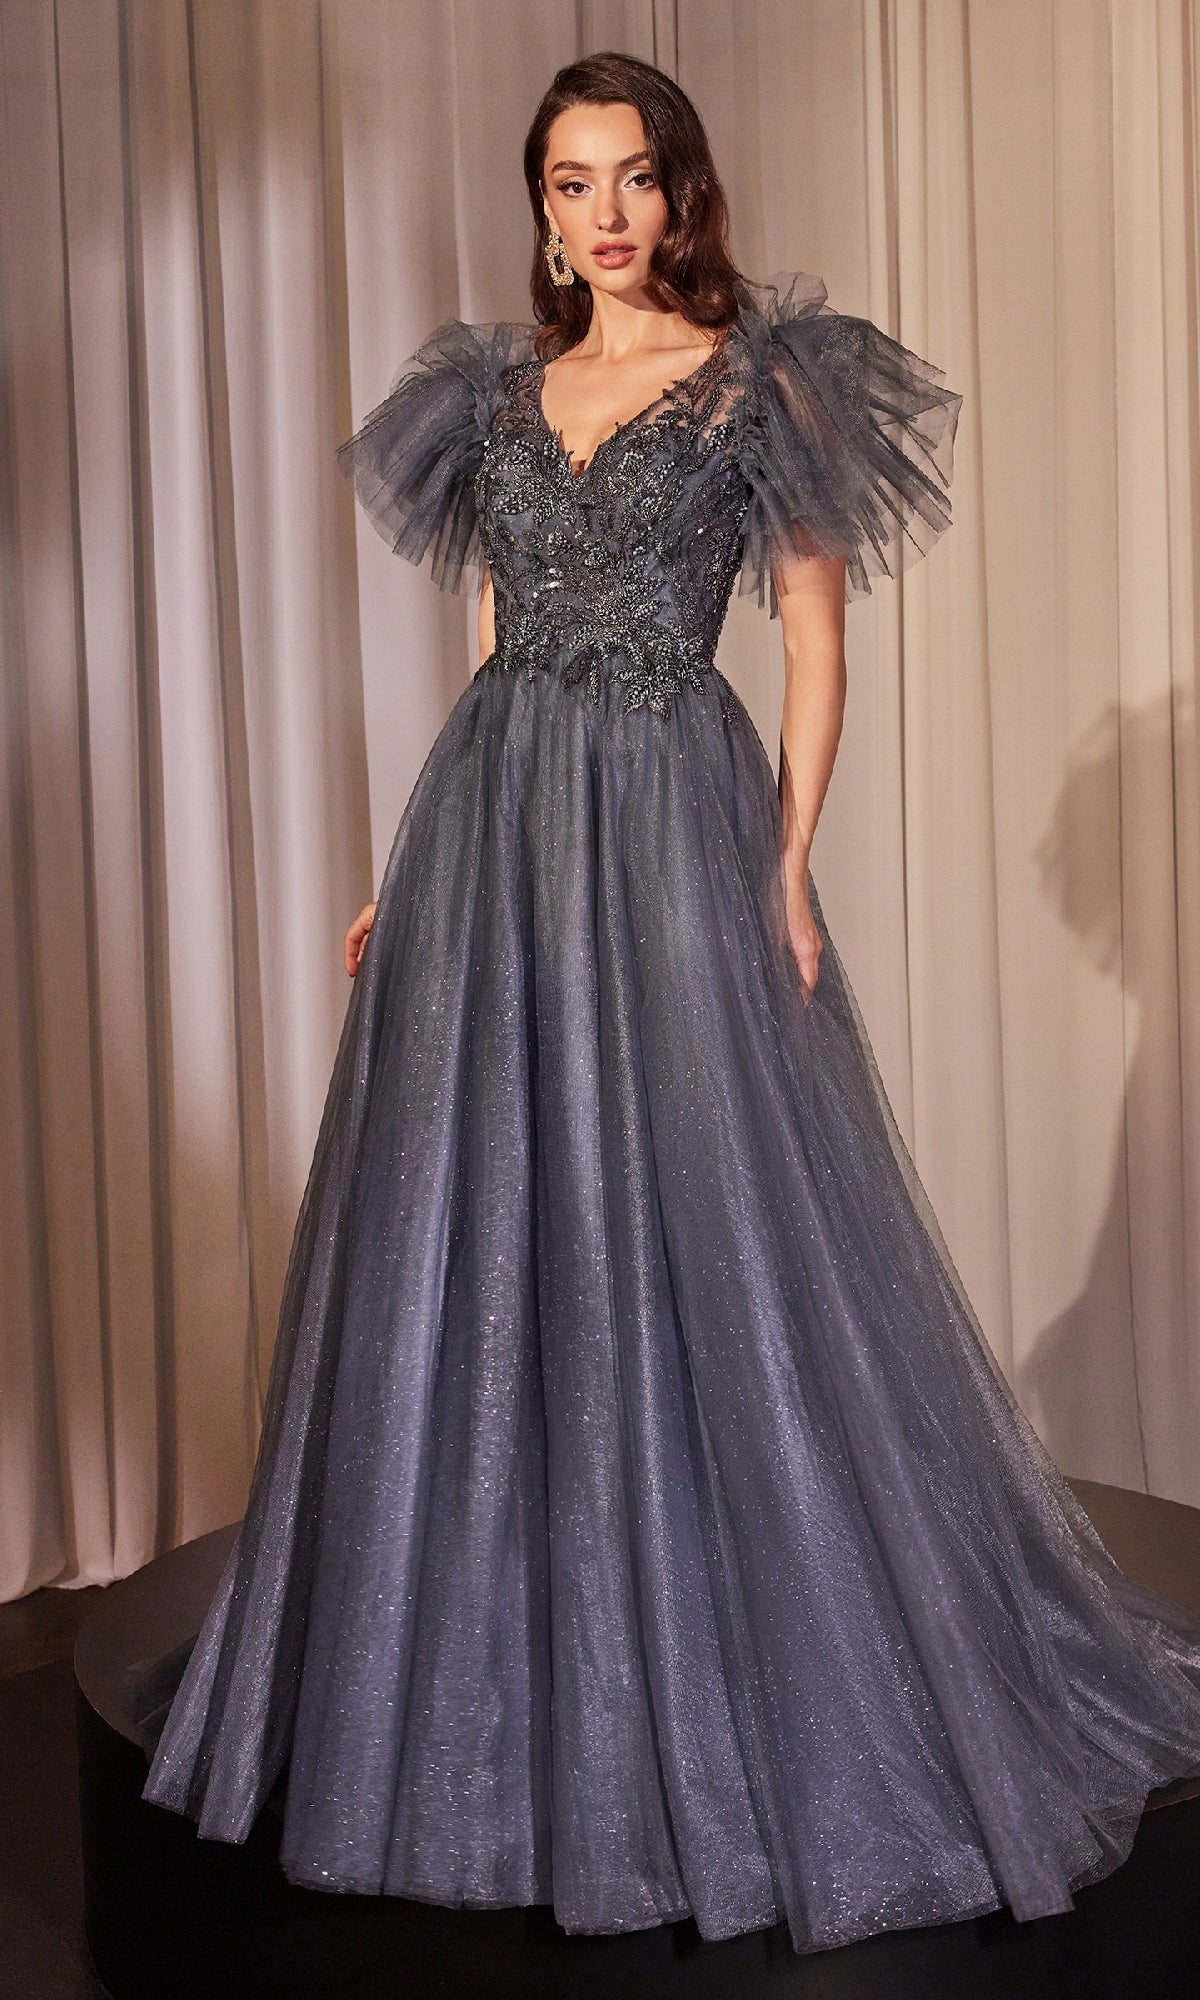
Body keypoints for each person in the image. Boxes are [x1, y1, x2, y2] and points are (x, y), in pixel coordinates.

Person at [139, 50, 1200, 1958]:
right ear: (540, 205)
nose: (603, 211)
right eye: (569, 182)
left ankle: (727, 1653)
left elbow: (811, 630)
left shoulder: (761, 380)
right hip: (494, 820)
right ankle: (490, 1671)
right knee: (484, 1225)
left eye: (632, 175)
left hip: (664, 812)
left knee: (698, 1215)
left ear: (680, 190)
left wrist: (786, 861)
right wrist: (407, 854)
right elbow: (486, 628)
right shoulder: (493, 393)